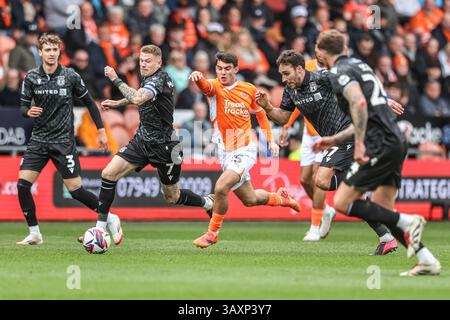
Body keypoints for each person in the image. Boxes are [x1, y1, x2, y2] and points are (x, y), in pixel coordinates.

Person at [313, 30, 440, 276]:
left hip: (378, 143)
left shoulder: (339, 72)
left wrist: (359, 144)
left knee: (341, 201)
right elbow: (365, 112)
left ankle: (408, 220)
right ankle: (427, 260)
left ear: (322, 50)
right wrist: (334, 139)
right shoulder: (360, 66)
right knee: (383, 209)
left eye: (316, 50)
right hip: (394, 140)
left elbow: (359, 104)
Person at [256, 50, 402, 255]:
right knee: (330, 186)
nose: (283, 78)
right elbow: (282, 118)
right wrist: (267, 107)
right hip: (334, 141)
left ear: (300, 69)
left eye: (286, 73)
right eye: (281, 74)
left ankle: (363, 193)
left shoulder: (323, 78)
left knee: (323, 181)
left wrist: (383, 100)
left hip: (349, 134)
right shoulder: (291, 90)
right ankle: (384, 234)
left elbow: (356, 87)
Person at [93, 45, 214, 234]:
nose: (143, 64)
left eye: (148, 61)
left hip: (166, 147)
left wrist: (115, 79)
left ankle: (207, 202)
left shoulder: (160, 79)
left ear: (159, 63)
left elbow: (140, 98)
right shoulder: (148, 79)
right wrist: (118, 103)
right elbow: (140, 96)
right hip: (142, 141)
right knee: (108, 173)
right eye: (141, 60)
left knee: (172, 197)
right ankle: (99, 229)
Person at [16, 33, 122, 246]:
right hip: (39, 140)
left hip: (64, 141)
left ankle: (110, 217)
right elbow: (22, 108)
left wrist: (101, 130)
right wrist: (28, 112)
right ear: (40, 52)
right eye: (48, 50)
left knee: (76, 191)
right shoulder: (31, 77)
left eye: (55, 50)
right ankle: (35, 233)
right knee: (22, 185)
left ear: (59, 51)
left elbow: (91, 103)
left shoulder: (70, 76)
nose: (52, 53)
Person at [188, 52, 300, 249]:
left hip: (245, 147)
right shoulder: (214, 86)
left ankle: (212, 234)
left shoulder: (248, 89)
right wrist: (198, 77)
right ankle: (280, 198)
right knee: (250, 199)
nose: (222, 72)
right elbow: (205, 86)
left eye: (227, 68)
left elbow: (262, 116)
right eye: (219, 68)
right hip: (224, 151)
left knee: (221, 187)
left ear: (236, 69)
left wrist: (270, 141)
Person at [278, 58, 337, 242]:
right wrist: (286, 125)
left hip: (326, 133)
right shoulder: (307, 68)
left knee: (317, 178)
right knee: (304, 180)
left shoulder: (329, 72)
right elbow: (297, 102)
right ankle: (326, 210)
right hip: (309, 132)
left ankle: (314, 226)